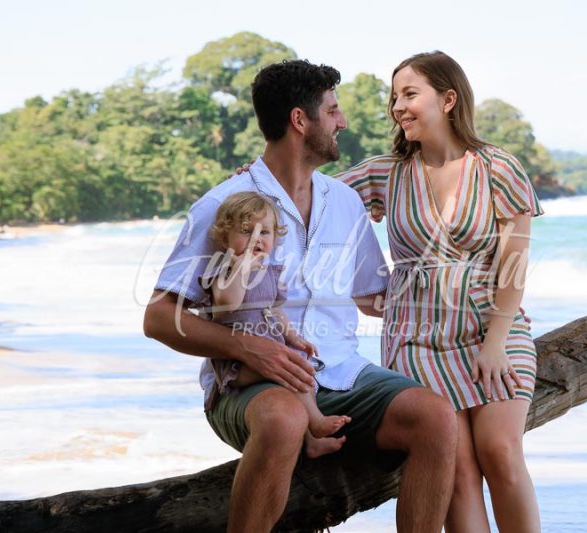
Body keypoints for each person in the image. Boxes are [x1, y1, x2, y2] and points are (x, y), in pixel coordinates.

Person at [143, 59, 457, 533]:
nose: (343, 122)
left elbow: (374, 296)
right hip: (249, 387)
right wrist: (250, 348)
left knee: (434, 416)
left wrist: (476, 298)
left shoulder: (345, 201)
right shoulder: (225, 206)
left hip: (341, 373)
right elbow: (159, 318)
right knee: (285, 417)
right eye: (332, 111)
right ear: (299, 120)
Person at [337, 51, 543, 532]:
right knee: (458, 473)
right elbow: (308, 206)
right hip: (416, 341)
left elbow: (513, 268)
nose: (398, 107)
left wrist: (495, 345)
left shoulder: (498, 167)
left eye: (410, 94)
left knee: (500, 450)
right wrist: (360, 292)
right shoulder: (383, 172)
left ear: (448, 99)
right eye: (395, 97)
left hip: (491, 329)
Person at [202, 190, 351, 457]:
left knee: (298, 371)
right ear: (225, 237)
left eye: (264, 233)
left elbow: (275, 310)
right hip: (237, 363)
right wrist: (240, 268)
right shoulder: (223, 268)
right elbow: (227, 304)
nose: (256, 240)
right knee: (290, 375)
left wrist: (293, 337)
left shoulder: (270, 272)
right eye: (246, 231)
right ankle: (316, 422)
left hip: (270, 349)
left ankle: (312, 441)